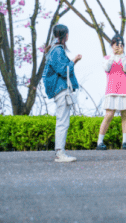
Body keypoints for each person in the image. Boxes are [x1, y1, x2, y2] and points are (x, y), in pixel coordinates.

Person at [42, 24, 82, 163]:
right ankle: (60, 153)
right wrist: (74, 61)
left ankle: (60, 152)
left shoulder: (53, 49)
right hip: (61, 90)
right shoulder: (58, 51)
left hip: (59, 90)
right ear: (65, 35)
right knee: (63, 122)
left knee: (62, 121)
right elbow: (63, 70)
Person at [96, 34, 126, 150]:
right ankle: (99, 142)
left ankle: (125, 142)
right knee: (109, 115)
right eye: (115, 44)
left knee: (125, 115)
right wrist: (113, 56)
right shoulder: (107, 58)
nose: (118, 46)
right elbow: (107, 68)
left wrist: (122, 55)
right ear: (112, 45)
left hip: (125, 88)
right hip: (112, 89)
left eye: (120, 44)